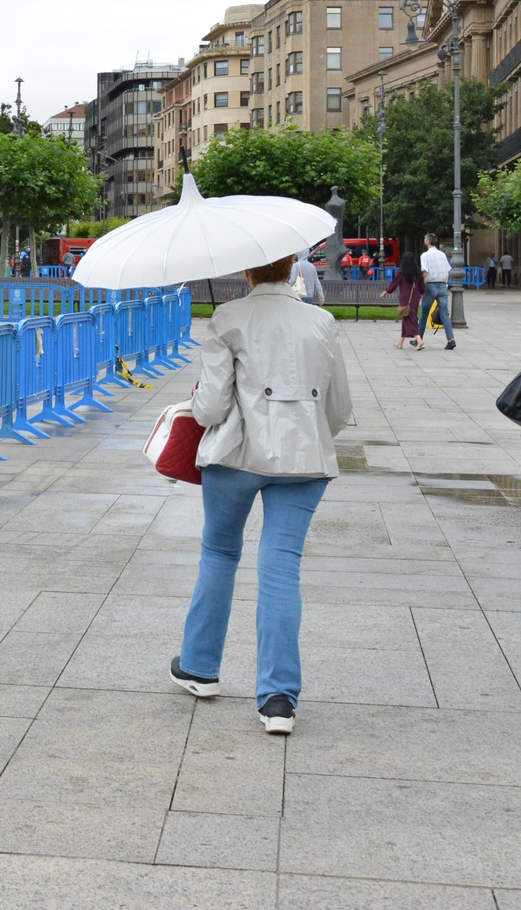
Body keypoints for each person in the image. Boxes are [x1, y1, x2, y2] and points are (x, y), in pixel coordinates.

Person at [172, 250, 354, 734]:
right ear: (293, 265)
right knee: (280, 567)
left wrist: (196, 398)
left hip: (236, 456)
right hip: (303, 459)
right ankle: (277, 699)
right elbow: (338, 408)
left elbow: (209, 410)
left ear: (247, 270)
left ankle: (199, 668)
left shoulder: (228, 317)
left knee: (219, 553)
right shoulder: (321, 321)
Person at [416, 233, 456, 350]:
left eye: (425, 239)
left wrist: (421, 288)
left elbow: (425, 272)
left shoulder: (425, 255)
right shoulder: (442, 254)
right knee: (445, 313)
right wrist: (446, 284)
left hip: (430, 285)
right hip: (443, 286)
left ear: (428, 242)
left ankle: (419, 339)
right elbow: (449, 271)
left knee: (424, 313)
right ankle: (451, 339)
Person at [382, 246, 422, 349]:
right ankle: (400, 342)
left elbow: (394, 283)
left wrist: (386, 292)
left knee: (410, 319)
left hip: (405, 298)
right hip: (415, 298)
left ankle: (419, 340)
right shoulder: (417, 272)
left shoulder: (401, 272)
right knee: (407, 317)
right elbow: (422, 285)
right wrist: (421, 293)